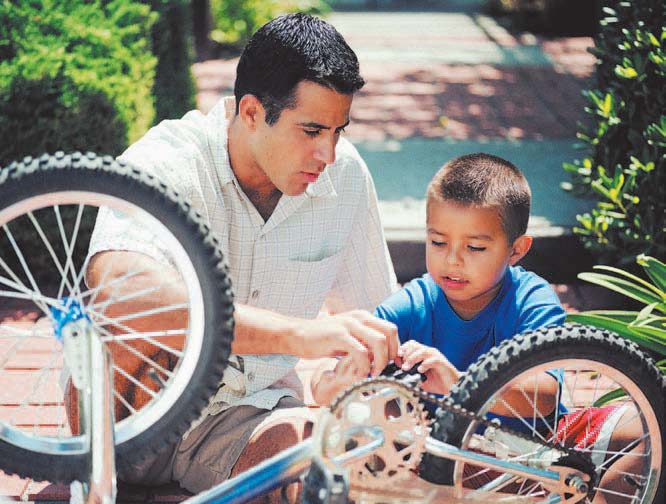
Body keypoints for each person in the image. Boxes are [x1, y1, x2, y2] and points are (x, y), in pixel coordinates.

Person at [84, 12, 398, 500]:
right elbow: (123, 298)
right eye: (312, 131)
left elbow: (379, 317)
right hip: (135, 411)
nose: (328, 155)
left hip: (253, 413)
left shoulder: (346, 179)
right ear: (251, 112)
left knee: (328, 471)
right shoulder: (167, 162)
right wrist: (300, 335)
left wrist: (375, 367)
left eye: (339, 131)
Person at [312, 153, 641, 503]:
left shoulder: (531, 298)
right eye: (438, 242)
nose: (452, 259)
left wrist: (460, 384)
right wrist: (336, 383)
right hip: (451, 459)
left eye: (475, 247)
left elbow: (545, 397)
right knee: (367, 421)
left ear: (516, 250)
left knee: (643, 424)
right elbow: (328, 380)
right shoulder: (416, 301)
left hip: (541, 455)